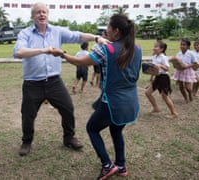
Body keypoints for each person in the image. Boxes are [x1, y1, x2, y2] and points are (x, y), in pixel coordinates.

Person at [51, 14, 142, 180]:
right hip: (131, 101)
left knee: (92, 128)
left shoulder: (106, 50)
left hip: (113, 102)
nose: (105, 29)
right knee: (116, 131)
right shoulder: (137, 48)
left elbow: (79, 62)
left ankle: (107, 165)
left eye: (108, 26)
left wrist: (62, 54)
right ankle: (121, 165)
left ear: (115, 31)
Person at [13, 2, 108, 156]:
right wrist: (44, 50)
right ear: (32, 16)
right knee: (28, 114)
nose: (42, 14)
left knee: (68, 108)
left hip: (54, 81)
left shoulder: (57, 31)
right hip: (32, 83)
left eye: (44, 12)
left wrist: (97, 37)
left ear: (48, 15)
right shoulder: (25, 34)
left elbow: (78, 35)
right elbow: (19, 52)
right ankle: (27, 141)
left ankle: (69, 137)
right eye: (38, 12)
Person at [145, 41, 178, 118]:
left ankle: (174, 113)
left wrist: (160, 65)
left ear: (161, 49)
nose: (154, 48)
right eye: (154, 46)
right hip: (157, 77)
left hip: (164, 78)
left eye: (156, 46)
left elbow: (167, 69)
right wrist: (151, 80)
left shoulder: (163, 57)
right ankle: (156, 108)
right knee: (147, 92)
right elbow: (154, 69)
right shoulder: (154, 57)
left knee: (164, 96)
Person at [173, 38, 198, 103]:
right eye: (181, 44)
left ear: (188, 46)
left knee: (187, 87)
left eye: (184, 45)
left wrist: (187, 66)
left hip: (188, 71)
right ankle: (185, 98)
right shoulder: (178, 53)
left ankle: (190, 94)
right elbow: (176, 62)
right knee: (181, 86)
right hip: (179, 71)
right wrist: (175, 65)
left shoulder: (191, 53)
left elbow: (195, 63)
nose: (182, 46)